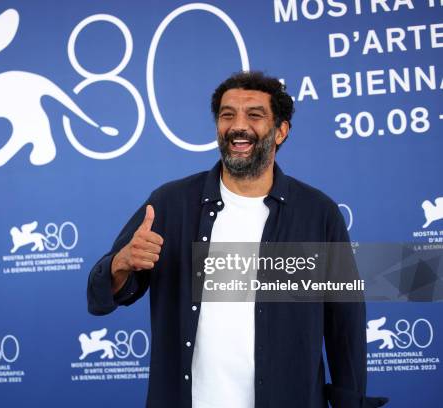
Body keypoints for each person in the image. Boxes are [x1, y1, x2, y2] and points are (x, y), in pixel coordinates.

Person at [87, 71, 386, 408]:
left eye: (254, 115)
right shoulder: (171, 204)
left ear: (281, 131)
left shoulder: (317, 214)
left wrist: (351, 401)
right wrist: (120, 265)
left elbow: (344, 324)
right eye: (227, 115)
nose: (238, 126)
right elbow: (99, 295)